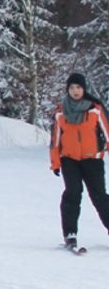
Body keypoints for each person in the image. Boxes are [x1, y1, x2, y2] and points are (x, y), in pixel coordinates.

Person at [49, 72, 109, 250]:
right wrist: (55, 163)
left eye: (78, 87)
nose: (75, 91)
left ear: (84, 89)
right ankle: (70, 234)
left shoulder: (95, 110)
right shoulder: (61, 112)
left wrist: (100, 150)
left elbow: (107, 134)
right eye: (72, 88)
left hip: (93, 160)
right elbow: (55, 140)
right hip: (70, 160)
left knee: (100, 197)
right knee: (72, 194)